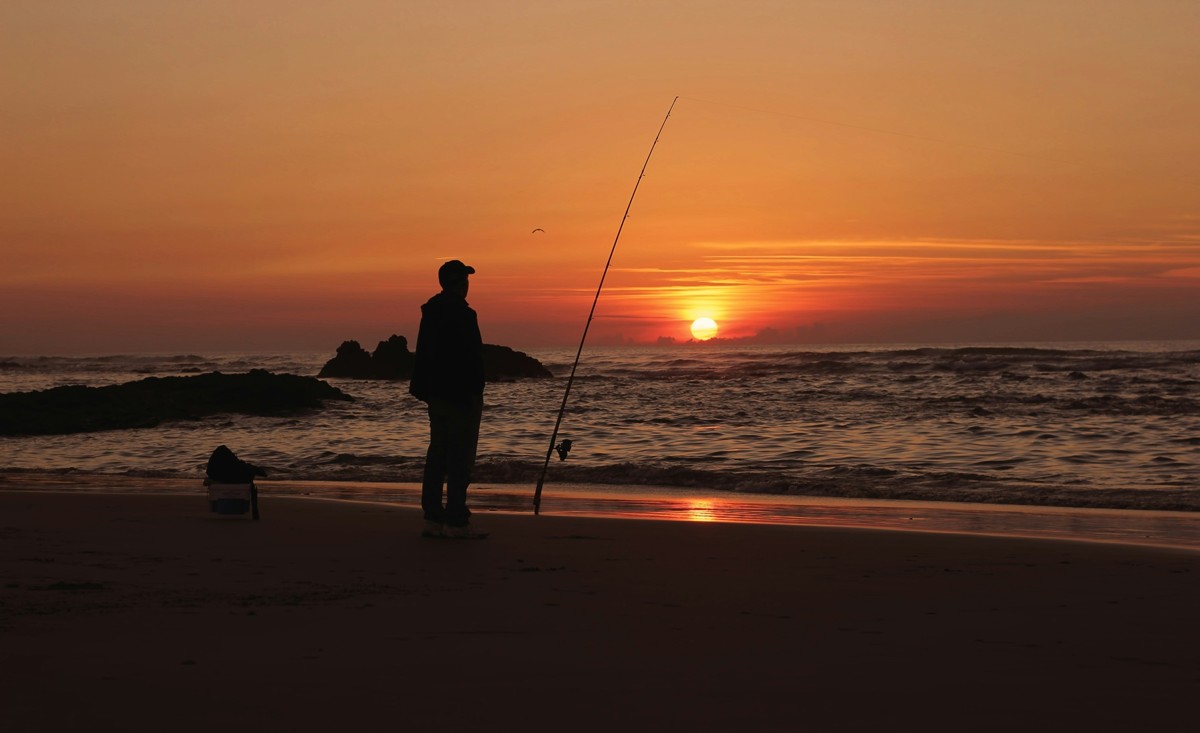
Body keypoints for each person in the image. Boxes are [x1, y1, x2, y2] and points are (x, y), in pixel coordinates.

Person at [409, 260, 486, 539]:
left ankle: (432, 517)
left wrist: (422, 389)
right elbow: (472, 358)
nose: (468, 284)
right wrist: (476, 390)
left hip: (436, 395)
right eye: (465, 279)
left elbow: (423, 354)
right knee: (460, 458)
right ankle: (456, 520)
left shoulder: (430, 312)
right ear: (459, 283)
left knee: (438, 454)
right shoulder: (465, 315)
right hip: (461, 396)